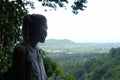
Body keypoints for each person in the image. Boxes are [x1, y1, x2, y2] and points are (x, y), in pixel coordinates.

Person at [11, 14, 48, 80]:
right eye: (45, 28)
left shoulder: (37, 50)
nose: (46, 32)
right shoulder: (21, 51)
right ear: (37, 29)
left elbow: (43, 75)